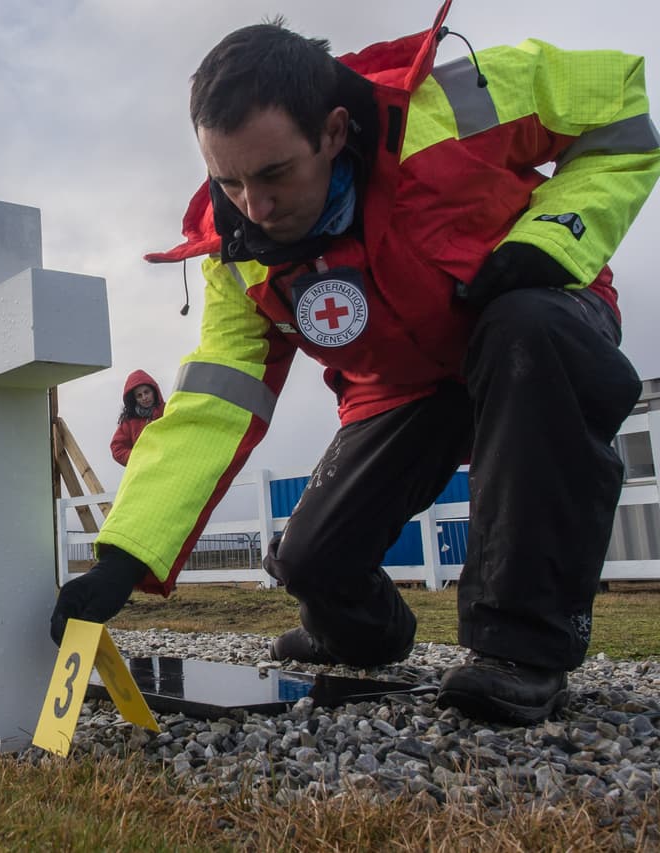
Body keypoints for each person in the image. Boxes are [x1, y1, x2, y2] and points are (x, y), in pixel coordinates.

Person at [50, 0, 659, 725]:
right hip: (400, 388)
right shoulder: (235, 255)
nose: (256, 206)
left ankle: (521, 649)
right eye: (230, 180)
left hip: (531, 325)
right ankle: (365, 634)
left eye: (275, 173)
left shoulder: (452, 108)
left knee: (527, 329)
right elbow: (218, 398)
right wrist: (127, 552)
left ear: (334, 130)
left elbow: (619, 101)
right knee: (308, 560)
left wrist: (557, 236)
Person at [111, 370, 166, 466]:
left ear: (154, 391)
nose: (144, 397)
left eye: (146, 392)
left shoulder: (167, 411)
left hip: (169, 464)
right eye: (139, 395)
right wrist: (138, 458)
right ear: (134, 399)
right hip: (144, 471)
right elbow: (117, 448)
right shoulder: (129, 422)